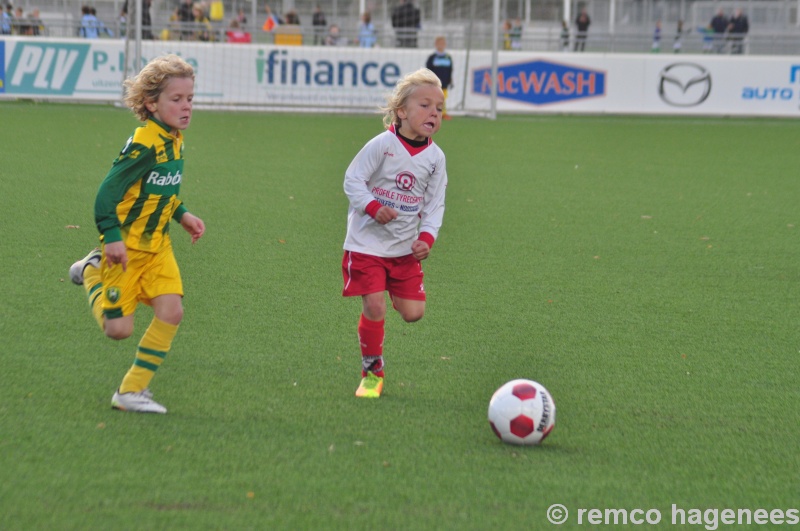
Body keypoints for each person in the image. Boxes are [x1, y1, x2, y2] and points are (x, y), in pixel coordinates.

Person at [69, 54, 205, 414]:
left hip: (158, 247)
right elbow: (107, 195)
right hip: (124, 249)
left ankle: (131, 391)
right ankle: (90, 271)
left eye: (190, 99)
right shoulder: (145, 143)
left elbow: (158, 189)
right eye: (176, 100)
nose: (186, 106)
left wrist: (183, 214)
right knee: (118, 330)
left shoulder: (174, 138)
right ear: (151, 103)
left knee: (172, 311)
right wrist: (111, 237)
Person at [341, 68, 448, 399]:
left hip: (403, 249)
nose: (434, 113)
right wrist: (372, 206)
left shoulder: (435, 158)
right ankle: (372, 374)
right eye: (426, 105)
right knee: (375, 307)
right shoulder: (383, 145)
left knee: (413, 314)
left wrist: (427, 238)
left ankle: (384, 287)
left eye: (439, 108)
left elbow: (434, 205)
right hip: (366, 244)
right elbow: (352, 180)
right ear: (401, 111)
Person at [426, 36, 453, 120]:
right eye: (439, 43)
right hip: (434, 82)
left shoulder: (448, 57)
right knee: (432, 98)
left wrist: (450, 80)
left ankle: (443, 113)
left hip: (444, 82)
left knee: (443, 98)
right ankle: (430, 113)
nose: (441, 45)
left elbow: (450, 70)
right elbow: (428, 70)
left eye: (442, 43)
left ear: (445, 45)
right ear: (436, 44)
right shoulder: (432, 57)